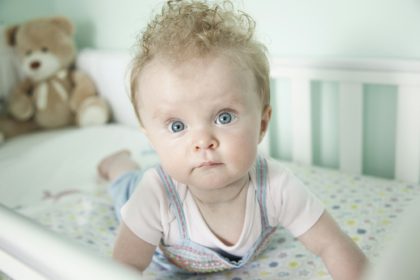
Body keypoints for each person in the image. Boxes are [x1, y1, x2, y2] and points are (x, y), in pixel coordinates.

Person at [98, 0, 367, 278]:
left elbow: (332, 243)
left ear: (262, 123)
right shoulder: (155, 196)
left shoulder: (275, 186)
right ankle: (119, 164)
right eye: (177, 125)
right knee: (125, 187)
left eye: (224, 117)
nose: (203, 141)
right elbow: (125, 266)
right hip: (153, 225)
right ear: (152, 140)